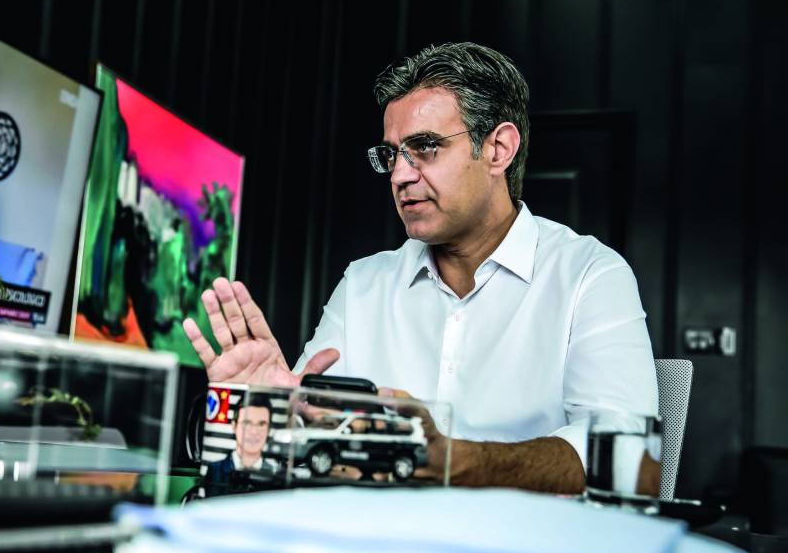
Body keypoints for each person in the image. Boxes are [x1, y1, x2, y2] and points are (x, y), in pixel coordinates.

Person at [182, 42, 658, 494]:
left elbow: (634, 467)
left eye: (426, 146)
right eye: (391, 154)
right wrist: (264, 412)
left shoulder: (589, 275)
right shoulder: (364, 284)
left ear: (498, 149)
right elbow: (307, 433)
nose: (400, 175)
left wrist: (454, 461)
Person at [202, 395, 278, 497]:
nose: (254, 431)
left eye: (261, 424)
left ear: (269, 429)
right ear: (234, 426)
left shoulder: (275, 475)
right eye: (247, 423)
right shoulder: (214, 470)